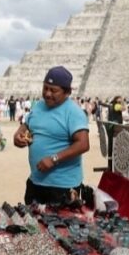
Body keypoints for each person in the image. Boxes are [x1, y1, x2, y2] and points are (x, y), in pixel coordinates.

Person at [13, 66, 90, 205]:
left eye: (53, 90)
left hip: (62, 187)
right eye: (45, 88)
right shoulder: (39, 106)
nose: (47, 94)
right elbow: (27, 125)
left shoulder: (73, 112)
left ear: (67, 92)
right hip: (35, 182)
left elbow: (83, 144)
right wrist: (18, 135)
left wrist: (54, 159)